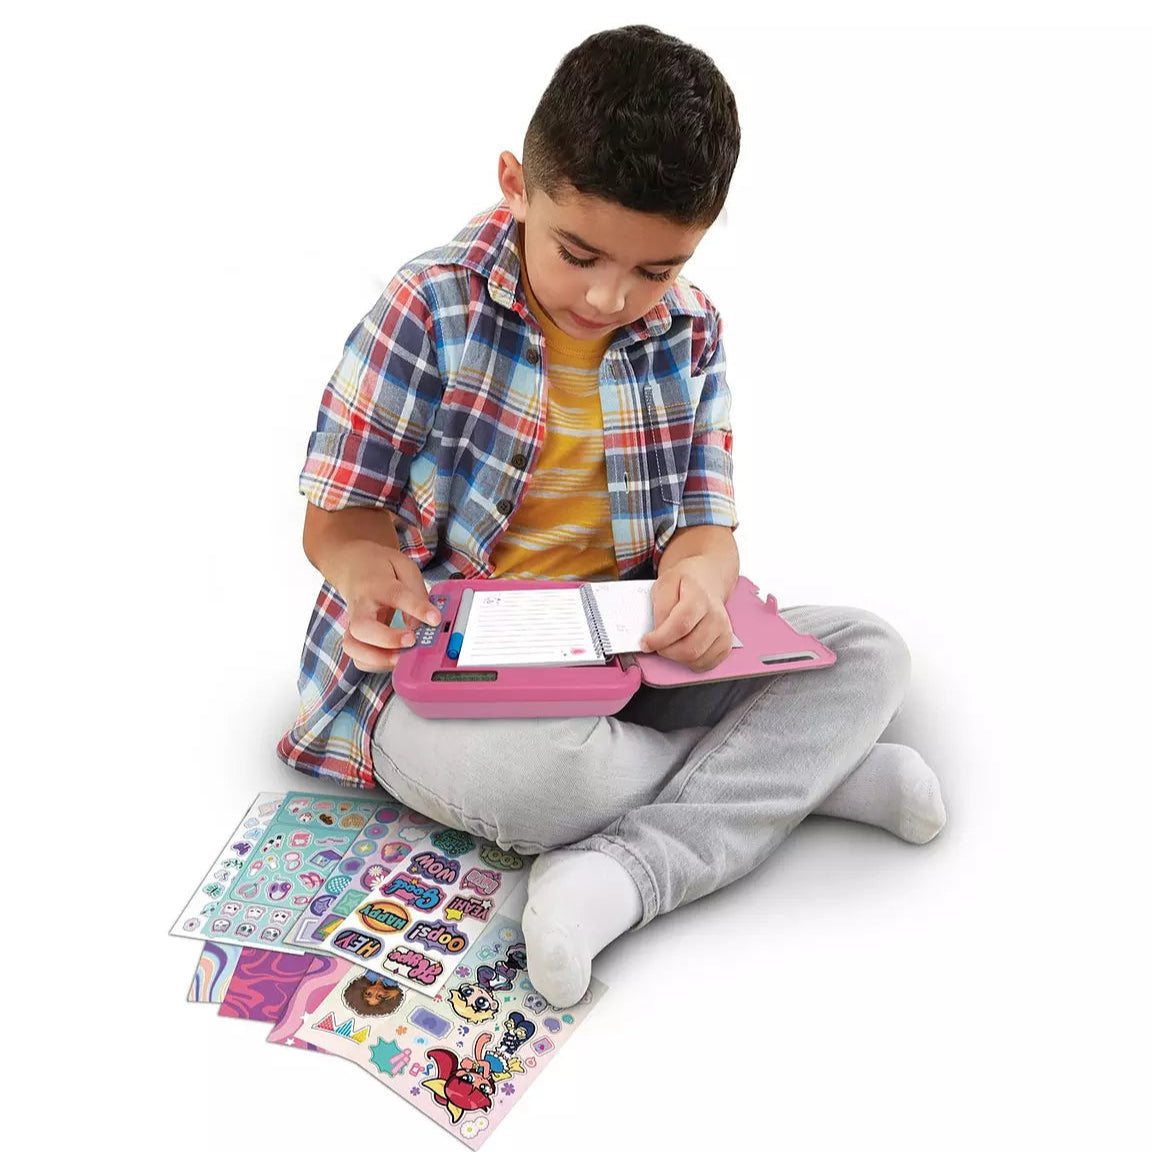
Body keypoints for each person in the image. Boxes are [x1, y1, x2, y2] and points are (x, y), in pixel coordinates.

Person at [279, 25, 946, 1008]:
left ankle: (624, 873)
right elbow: (336, 520)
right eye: (579, 252)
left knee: (869, 653)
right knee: (551, 788)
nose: (609, 295)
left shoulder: (691, 328)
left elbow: (706, 526)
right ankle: (804, 774)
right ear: (516, 185)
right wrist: (367, 572)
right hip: (442, 676)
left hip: (619, 658)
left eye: (655, 269)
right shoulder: (430, 306)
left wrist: (698, 583)